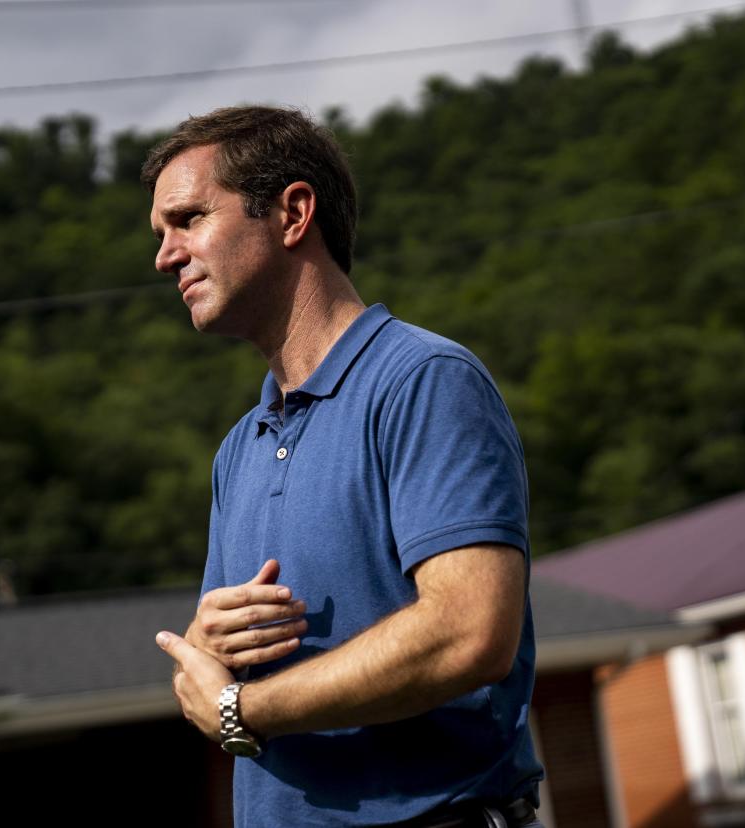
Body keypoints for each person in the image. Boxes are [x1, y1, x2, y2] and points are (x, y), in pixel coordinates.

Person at [146, 105, 544, 827]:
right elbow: (203, 682)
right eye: (163, 233)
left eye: (189, 219)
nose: (165, 255)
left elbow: (471, 632)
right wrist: (205, 651)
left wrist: (244, 708)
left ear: (294, 213)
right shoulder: (237, 449)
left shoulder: (424, 380)